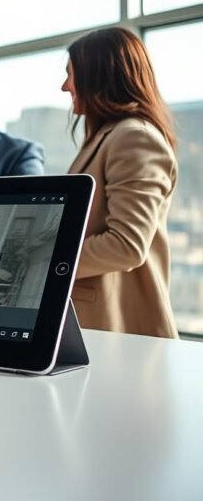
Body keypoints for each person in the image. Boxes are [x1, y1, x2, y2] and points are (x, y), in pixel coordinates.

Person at [63, 27, 179, 338]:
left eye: (71, 74)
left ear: (98, 76)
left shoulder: (134, 137)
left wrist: (49, 259)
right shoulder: (106, 137)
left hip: (120, 327)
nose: (65, 86)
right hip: (99, 321)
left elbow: (126, 245)